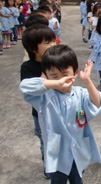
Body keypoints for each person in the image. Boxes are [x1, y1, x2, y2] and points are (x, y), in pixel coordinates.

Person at [20, 45, 101, 183]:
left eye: (65, 74)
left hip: (78, 152)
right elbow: (24, 86)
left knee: (77, 180)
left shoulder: (81, 93)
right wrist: (51, 84)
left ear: (75, 71)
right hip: (57, 156)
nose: (61, 80)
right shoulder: (44, 97)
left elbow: (98, 104)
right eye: (54, 76)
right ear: (46, 75)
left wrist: (87, 81)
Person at [20, 24, 57, 179]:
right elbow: (28, 90)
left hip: (58, 109)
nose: (53, 45)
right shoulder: (27, 67)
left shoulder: (57, 60)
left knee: (58, 138)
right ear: (33, 48)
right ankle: (48, 165)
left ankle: (60, 163)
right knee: (45, 140)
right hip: (40, 113)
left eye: (53, 41)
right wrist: (46, 74)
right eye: (47, 43)